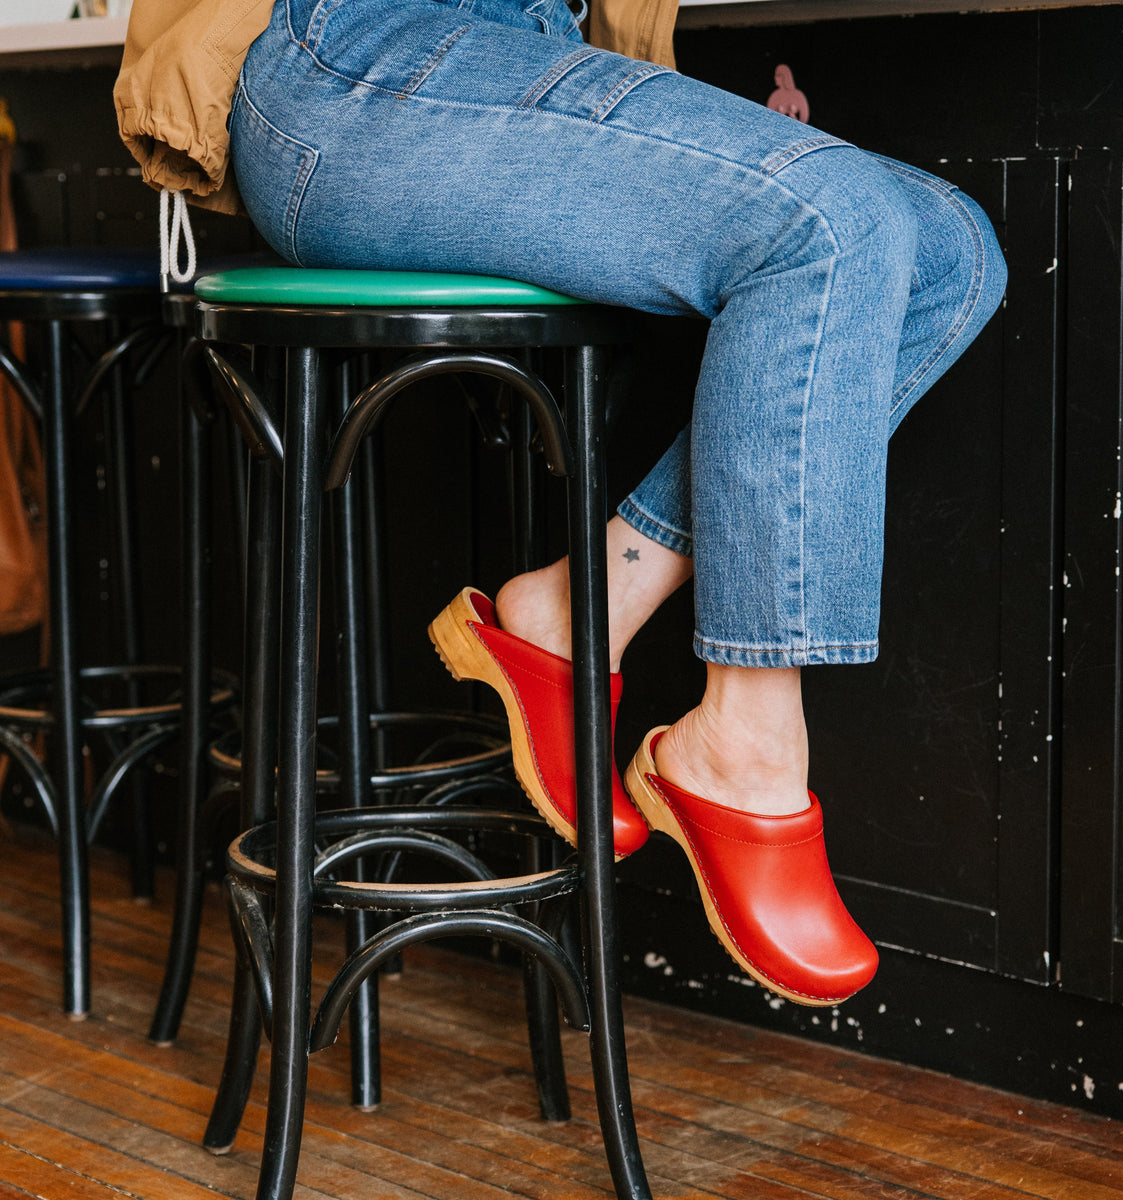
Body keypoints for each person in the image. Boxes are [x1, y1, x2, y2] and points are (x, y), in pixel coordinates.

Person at [116, 0, 1006, 1012]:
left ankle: (585, 604)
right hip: (353, 60)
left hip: (523, 48)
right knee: (830, 224)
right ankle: (745, 747)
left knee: (949, 253)